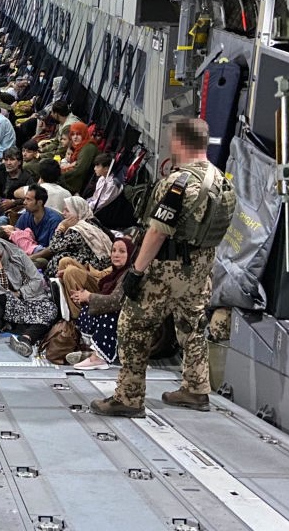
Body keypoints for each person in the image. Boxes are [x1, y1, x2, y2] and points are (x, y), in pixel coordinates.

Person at [92, 117, 235, 418]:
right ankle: (196, 389)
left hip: (166, 268)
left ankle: (129, 398)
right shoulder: (221, 180)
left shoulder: (178, 182)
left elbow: (158, 231)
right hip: (201, 266)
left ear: (179, 142)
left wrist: (137, 271)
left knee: (133, 326)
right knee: (192, 325)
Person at [60, 236, 135, 370]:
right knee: (66, 265)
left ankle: (99, 358)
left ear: (131, 254)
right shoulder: (115, 273)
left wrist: (89, 297)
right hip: (115, 307)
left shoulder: (130, 274)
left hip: (127, 316)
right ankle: (92, 351)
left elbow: (116, 301)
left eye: (122, 252)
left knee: (107, 313)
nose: (116, 255)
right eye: (114, 251)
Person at [0, 237, 59, 358]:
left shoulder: (18, 255)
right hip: (9, 302)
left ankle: (25, 338)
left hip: (32, 297)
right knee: (1, 298)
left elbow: (37, 280)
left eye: (0, 256)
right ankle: (25, 332)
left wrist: (21, 292)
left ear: (4, 249)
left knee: (51, 310)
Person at [32, 195, 114, 277]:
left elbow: (53, 247)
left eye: (67, 210)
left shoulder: (80, 230)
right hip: (95, 262)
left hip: (92, 267)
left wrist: (60, 228)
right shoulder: (90, 221)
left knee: (58, 259)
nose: (63, 213)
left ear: (78, 212)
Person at [6, 185, 63, 253]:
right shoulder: (25, 216)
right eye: (25, 199)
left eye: (28, 199)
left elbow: (52, 248)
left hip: (44, 257)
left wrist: (32, 257)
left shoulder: (54, 220)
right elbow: (15, 236)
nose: (24, 202)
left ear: (39, 202)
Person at [59, 121, 98, 195]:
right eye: (72, 134)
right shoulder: (80, 145)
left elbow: (79, 170)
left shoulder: (88, 148)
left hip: (75, 184)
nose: (75, 137)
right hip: (74, 179)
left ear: (84, 134)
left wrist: (60, 174)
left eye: (78, 134)